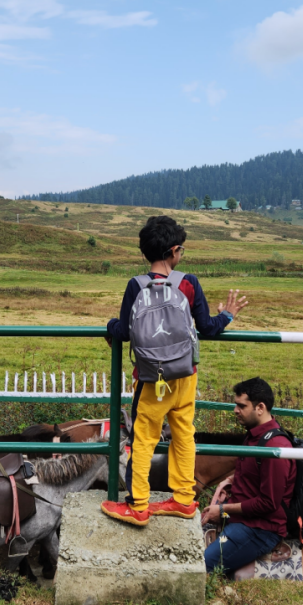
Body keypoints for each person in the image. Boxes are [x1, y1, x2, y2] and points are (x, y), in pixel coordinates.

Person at [101, 215, 248, 526]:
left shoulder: (135, 285)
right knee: (184, 435)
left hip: (152, 379)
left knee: (143, 439)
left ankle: (138, 505)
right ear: (174, 250)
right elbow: (207, 328)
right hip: (185, 374)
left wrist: (110, 327)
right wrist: (228, 315)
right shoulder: (188, 283)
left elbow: (125, 332)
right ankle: (183, 499)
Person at [200, 377, 296, 576]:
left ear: (260, 407)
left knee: (201, 565)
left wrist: (222, 509)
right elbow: (252, 472)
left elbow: (268, 503)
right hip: (240, 520)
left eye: (241, 405)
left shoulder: (274, 448)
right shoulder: (254, 437)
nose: (235, 410)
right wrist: (228, 482)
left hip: (258, 530)